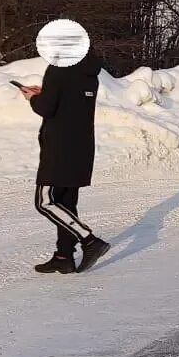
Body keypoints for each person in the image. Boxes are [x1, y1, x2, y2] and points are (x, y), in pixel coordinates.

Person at [19, 47, 112, 272]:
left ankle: (90, 241)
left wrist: (33, 98)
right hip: (81, 147)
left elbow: (47, 108)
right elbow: (68, 103)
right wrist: (46, 92)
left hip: (59, 148)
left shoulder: (58, 70)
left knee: (45, 202)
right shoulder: (90, 73)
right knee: (66, 203)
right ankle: (64, 256)